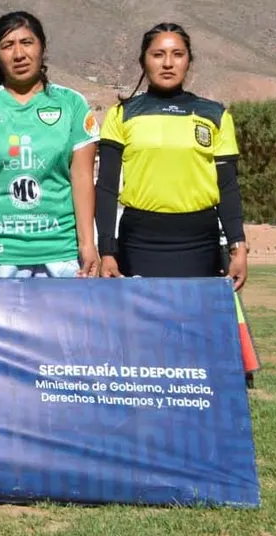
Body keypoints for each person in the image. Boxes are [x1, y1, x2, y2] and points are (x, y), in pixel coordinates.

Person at [94, 22, 259, 384]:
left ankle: (205, 410)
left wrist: (239, 246)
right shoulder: (123, 116)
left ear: (189, 62)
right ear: (144, 61)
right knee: (143, 341)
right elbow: (105, 188)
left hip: (198, 240)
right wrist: (107, 249)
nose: (168, 63)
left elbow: (228, 188)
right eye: (158, 54)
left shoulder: (214, 114)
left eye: (177, 54)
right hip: (140, 240)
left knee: (197, 340)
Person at [0, 11, 100, 278]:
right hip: (2, 256)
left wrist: (88, 245)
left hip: (63, 254)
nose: (19, 54)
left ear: (42, 47)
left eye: (27, 42)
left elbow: (81, 178)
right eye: (7, 45)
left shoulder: (72, 104)